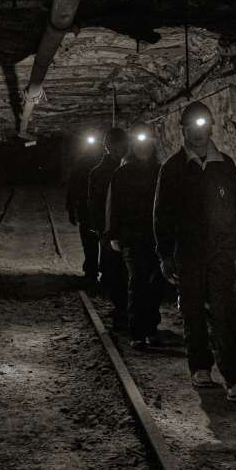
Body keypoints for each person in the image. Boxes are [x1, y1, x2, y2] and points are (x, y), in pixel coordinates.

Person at [154, 102, 236, 402]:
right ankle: (200, 366)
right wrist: (165, 254)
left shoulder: (226, 165)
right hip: (189, 252)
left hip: (220, 251)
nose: (197, 133)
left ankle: (234, 377)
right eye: (191, 128)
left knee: (225, 313)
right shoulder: (172, 169)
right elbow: (163, 214)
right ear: (183, 130)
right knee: (193, 311)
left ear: (210, 128)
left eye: (202, 127)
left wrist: (234, 246)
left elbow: (235, 210)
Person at [104, 125, 164, 349]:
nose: (144, 148)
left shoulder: (161, 171)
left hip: (156, 237)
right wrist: (113, 234)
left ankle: (152, 328)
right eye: (139, 144)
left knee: (156, 283)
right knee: (138, 281)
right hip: (132, 237)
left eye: (147, 143)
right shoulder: (122, 173)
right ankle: (138, 331)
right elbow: (114, 205)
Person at [87, 127, 128, 328]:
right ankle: (121, 308)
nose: (121, 148)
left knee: (128, 272)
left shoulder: (131, 168)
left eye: (123, 144)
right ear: (108, 146)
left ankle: (127, 309)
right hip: (110, 230)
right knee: (114, 270)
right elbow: (94, 203)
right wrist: (100, 230)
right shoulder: (99, 173)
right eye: (116, 145)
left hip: (129, 230)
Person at [66, 133, 102, 284]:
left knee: (90, 242)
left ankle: (92, 270)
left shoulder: (82, 164)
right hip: (89, 209)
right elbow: (73, 188)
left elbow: (71, 188)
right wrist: (71, 209)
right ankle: (94, 270)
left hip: (89, 210)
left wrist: (71, 210)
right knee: (92, 242)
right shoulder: (83, 165)